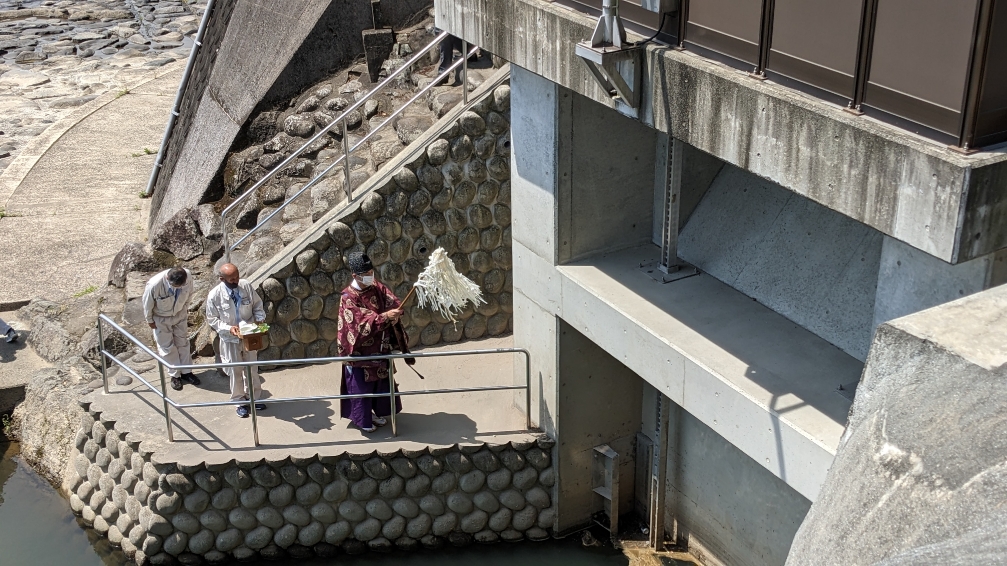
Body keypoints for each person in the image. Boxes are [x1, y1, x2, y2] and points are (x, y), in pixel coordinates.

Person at [337, 252, 405, 433]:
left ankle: (375, 413)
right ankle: (363, 420)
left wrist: (395, 311)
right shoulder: (347, 297)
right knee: (362, 387)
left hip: (379, 347)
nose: (370, 277)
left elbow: (391, 300)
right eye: (365, 275)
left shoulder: (376, 286)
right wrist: (384, 317)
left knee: (379, 384)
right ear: (355, 276)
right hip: (358, 352)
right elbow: (358, 323)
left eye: (371, 272)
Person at [205, 263, 267, 418]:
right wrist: (228, 328)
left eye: (237, 277)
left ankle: (253, 398)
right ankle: (239, 401)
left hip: (249, 336)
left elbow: (258, 306)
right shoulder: (214, 295)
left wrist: (259, 320)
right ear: (222, 279)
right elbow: (212, 319)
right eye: (232, 279)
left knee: (252, 368)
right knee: (235, 371)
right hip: (230, 339)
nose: (236, 281)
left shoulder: (245, 286)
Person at [142, 266, 198, 391]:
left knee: (182, 342)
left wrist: (185, 308)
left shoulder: (187, 275)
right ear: (167, 278)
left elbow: (189, 294)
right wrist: (150, 320)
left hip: (180, 314)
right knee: (167, 347)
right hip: (161, 318)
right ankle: (175, 375)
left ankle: (186, 372)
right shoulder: (154, 285)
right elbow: (147, 304)